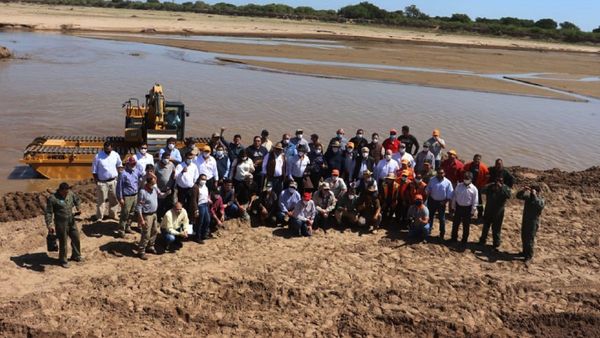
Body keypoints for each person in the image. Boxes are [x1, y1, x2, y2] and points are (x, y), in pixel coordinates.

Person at [44, 182, 82, 268]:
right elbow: (48, 213)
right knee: (63, 242)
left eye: (67, 192)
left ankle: (76, 255)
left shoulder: (70, 194)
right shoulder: (53, 199)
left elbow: (77, 200)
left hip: (71, 220)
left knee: (76, 238)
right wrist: (49, 225)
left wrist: (78, 207)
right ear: (60, 191)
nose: (66, 194)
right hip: (60, 223)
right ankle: (63, 260)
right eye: (64, 192)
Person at [136, 177, 169, 260]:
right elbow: (139, 207)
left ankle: (150, 246)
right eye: (152, 183)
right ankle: (141, 251)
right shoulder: (142, 192)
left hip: (154, 214)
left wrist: (166, 193)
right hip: (146, 215)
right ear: (148, 183)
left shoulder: (154, 188)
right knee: (146, 233)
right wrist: (141, 219)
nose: (154, 185)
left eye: (154, 183)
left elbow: (160, 195)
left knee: (154, 231)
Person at [478, 177, 512, 250]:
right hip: (488, 211)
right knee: (485, 227)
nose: (498, 183)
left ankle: (496, 243)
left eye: (500, 181)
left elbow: (508, 195)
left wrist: (501, 188)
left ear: (502, 182)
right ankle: (482, 240)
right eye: (497, 181)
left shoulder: (505, 188)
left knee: (496, 229)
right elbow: (482, 190)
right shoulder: (490, 187)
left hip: (498, 213)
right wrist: (490, 185)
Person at [92, 141, 122, 221]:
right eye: (106, 149)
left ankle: (113, 215)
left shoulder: (115, 155)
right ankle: (99, 217)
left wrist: (120, 176)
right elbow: (94, 170)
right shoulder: (98, 156)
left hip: (113, 181)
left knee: (114, 199)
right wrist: (97, 181)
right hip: (102, 182)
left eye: (109, 149)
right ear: (103, 148)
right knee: (101, 200)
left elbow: (119, 165)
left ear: (111, 148)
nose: (107, 151)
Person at [116, 157, 143, 237]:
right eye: (132, 164)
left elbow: (142, 176)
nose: (133, 165)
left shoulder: (136, 171)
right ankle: (121, 230)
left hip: (135, 195)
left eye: (134, 163)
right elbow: (119, 187)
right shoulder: (123, 174)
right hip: (127, 197)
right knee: (125, 213)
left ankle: (128, 227)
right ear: (128, 164)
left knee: (132, 213)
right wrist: (120, 198)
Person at [516, 186, 545, 262]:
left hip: (533, 222)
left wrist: (535, 195)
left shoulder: (540, 199)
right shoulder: (528, 197)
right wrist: (523, 190)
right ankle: (524, 252)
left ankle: (529, 255)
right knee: (524, 237)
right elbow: (518, 196)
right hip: (526, 220)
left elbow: (540, 205)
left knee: (529, 239)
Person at [450, 172, 479, 244]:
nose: (466, 180)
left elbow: (475, 202)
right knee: (455, 224)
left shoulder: (474, 189)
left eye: (467, 179)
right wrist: (453, 207)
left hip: (467, 209)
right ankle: (453, 238)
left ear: (471, 179)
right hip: (458, 208)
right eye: (465, 178)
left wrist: (472, 211)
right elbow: (454, 197)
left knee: (466, 226)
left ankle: (464, 240)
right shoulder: (459, 186)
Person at [425, 169, 454, 240]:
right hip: (432, 201)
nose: (440, 174)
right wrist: (427, 193)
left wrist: (445, 201)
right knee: (430, 217)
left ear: (444, 173)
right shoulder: (432, 180)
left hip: (441, 203)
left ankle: (442, 233)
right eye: (439, 173)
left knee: (442, 218)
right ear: (437, 173)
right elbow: (428, 189)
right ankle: (428, 231)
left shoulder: (448, 182)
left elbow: (450, 194)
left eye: (442, 173)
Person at [463, 154, 490, 219]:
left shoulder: (483, 167)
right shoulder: (468, 165)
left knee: (479, 201)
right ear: (473, 159)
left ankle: (480, 215)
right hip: (468, 185)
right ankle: (467, 214)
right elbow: (463, 172)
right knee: (467, 199)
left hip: (478, 187)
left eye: (478, 159)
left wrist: (482, 185)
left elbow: (487, 177)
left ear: (480, 160)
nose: (476, 160)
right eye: (475, 159)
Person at [174, 152, 200, 218]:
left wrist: (193, 182)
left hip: (190, 188)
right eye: (188, 158)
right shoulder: (180, 166)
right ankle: (181, 217)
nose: (190, 160)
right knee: (182, 203)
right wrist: (182, 172)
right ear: (185, 158)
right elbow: (175, 177)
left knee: (191, 203)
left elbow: (196, 176)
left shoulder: (194, 166)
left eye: (191, 158)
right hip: (181, 188)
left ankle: (190, 218)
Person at [155, 151, 175, 222]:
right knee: (159, 205)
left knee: (168, 205)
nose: (167, 159)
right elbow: (154, 176)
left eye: (168, 158)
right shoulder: (156, 165)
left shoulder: (171, 164)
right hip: (160, 190)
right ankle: (158, 218)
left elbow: (174, 172)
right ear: (162, 158)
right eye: (165, 158)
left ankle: (166, 218)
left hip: (169, 189)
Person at [193, 174, 211, 243]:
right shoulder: (196, 187)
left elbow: (206, 195)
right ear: (199, 179)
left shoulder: (205, 187)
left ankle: (204, 234)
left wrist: (208, 199)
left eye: (205, 179)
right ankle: (198, 237)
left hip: (205, 204)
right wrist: (196, 209)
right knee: (200, 222)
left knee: (207, 220)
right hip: (200, 205)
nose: (203, 181)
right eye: (202, 179)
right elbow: (194, 199)